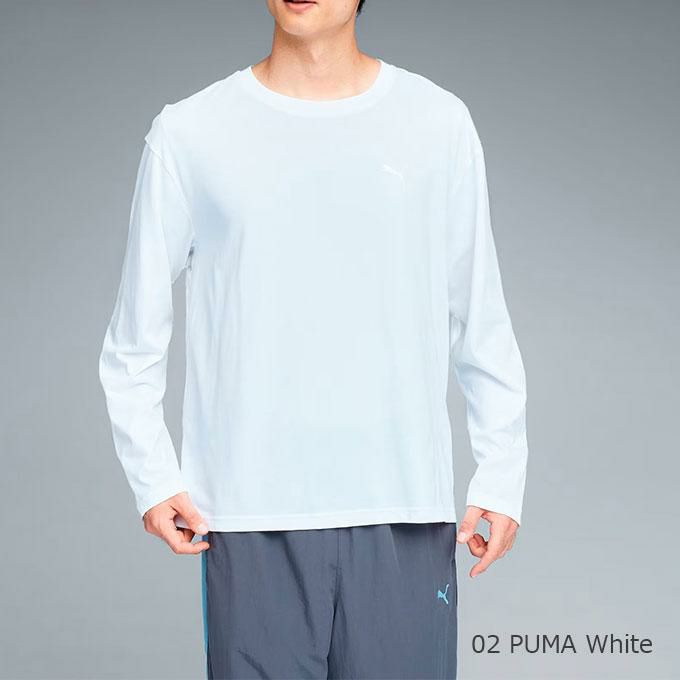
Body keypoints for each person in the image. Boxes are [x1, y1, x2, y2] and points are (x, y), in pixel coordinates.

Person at [98, 0, 528, 678]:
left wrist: (501, 474)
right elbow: (133, 341)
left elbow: (481, 315)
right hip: (248, 516)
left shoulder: (436, 124)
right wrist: (153, 477)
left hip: (403, 511)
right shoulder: (191, 133)